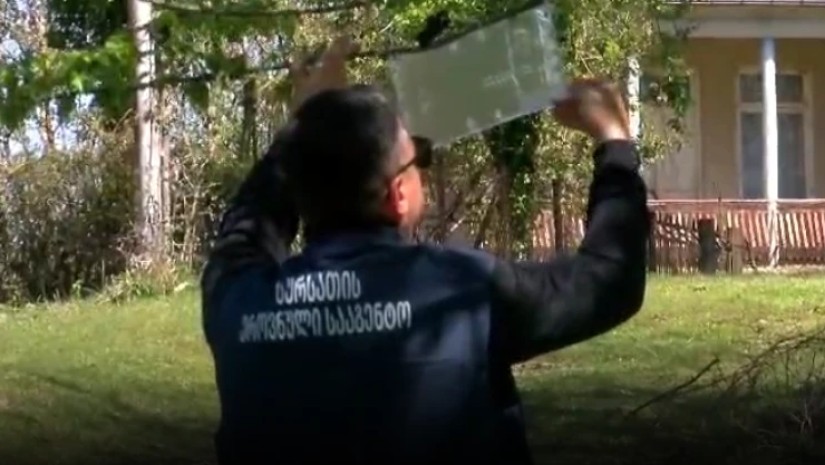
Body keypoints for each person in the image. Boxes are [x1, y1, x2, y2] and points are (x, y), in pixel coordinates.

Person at [201, 36, 649, 465]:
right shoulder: (462, 293)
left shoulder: (238, 303)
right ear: (397, 194)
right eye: (417, 155)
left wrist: (304, 123)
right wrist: (614, 141)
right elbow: (609, 280)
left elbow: (246, 228)